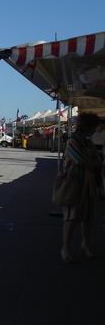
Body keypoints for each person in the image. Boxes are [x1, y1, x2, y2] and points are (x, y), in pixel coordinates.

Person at [60, 113, 102, 264]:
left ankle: (85, 244)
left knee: (88, 217)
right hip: (74, 184)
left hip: (88, 184)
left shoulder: (87, 141)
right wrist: (93, 161)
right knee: (71, 217)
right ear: (87, 126)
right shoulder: (73, 141)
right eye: (93, 127)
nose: (95, 130)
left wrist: (94, 161)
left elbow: (96, 160)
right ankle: (65, 248)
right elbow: (82, 161)